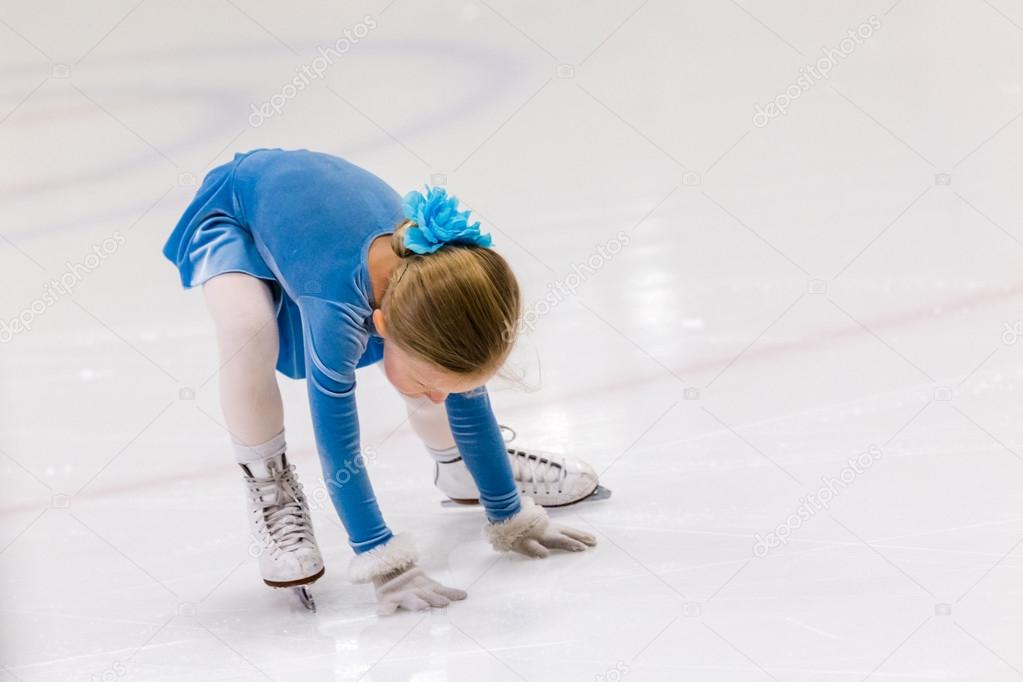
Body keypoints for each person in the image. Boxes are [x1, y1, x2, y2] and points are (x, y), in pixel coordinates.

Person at [162, 148, 600, 614]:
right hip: (235, 210)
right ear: (381, 325)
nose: (440, 394)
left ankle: (459, 467)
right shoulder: (336, 311)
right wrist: (387, 565)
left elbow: (468, 401)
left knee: (435, 381)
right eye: (434, 379)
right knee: (246, 330)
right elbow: (340, 450)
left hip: (324, 235)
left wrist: (511, 513)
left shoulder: (440, 289)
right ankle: (270, 484)